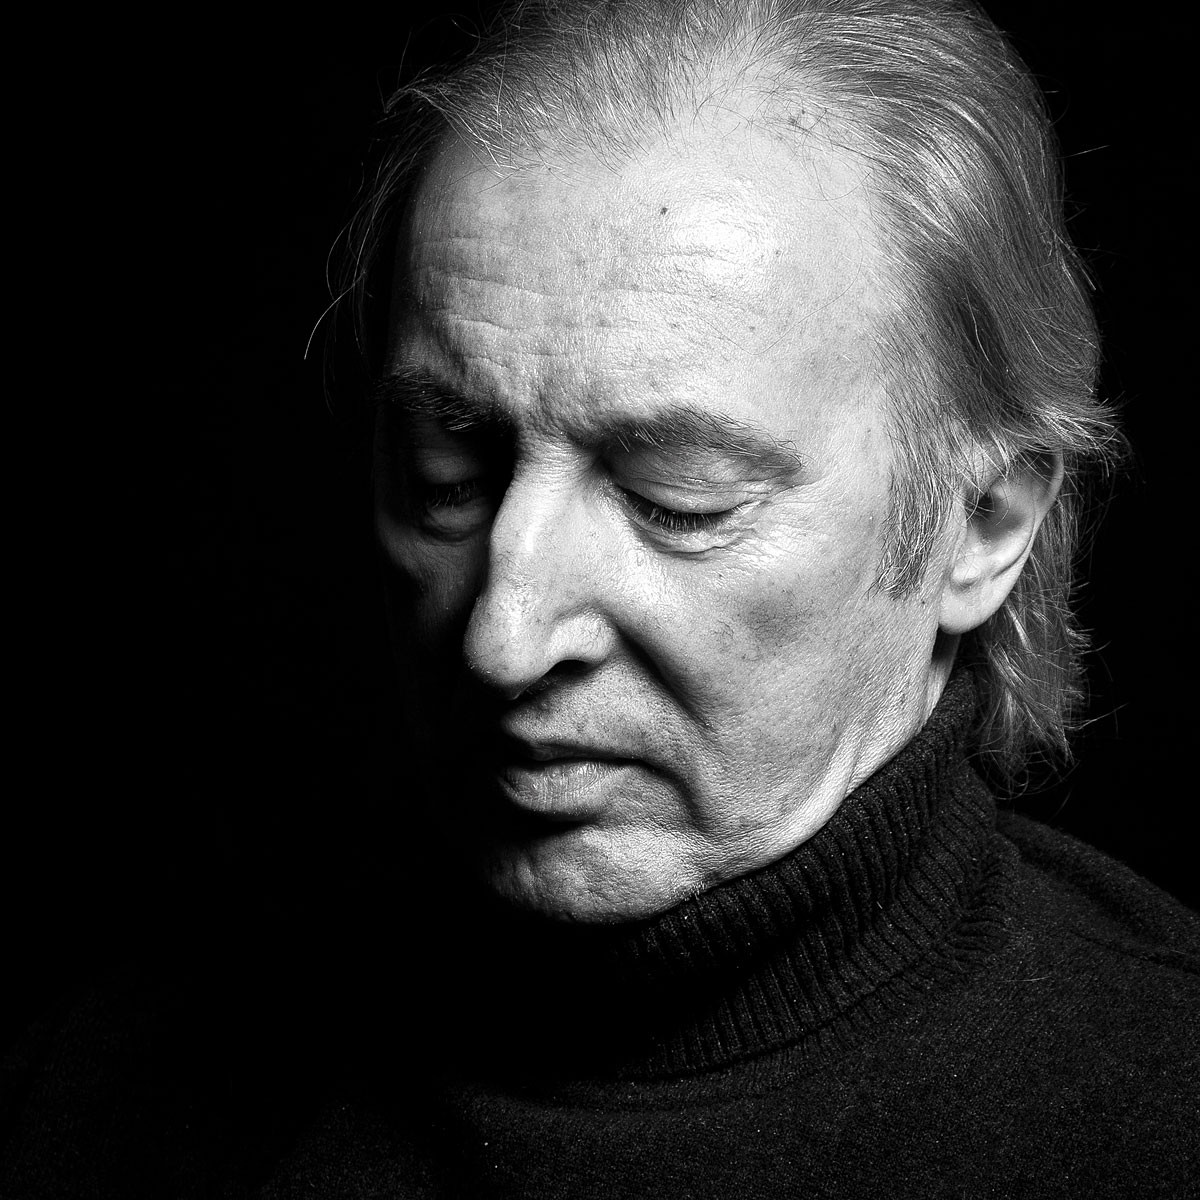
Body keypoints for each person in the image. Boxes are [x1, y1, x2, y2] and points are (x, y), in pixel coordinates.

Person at [3, 2, 1195, 1197]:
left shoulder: (1160, 1113)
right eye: (447, 474)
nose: (502, 638)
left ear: (983, 525)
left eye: (679, 500)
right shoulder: (103, 1095)